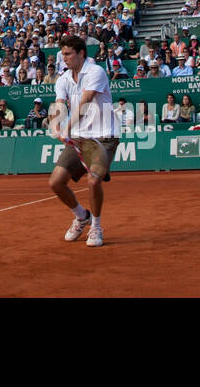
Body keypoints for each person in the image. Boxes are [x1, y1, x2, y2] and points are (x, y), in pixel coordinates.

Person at [48, 34, 119, 249]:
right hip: (79, 136)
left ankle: (96, 226)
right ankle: (81, 216)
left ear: (81, 53)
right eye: (62, 54)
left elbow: (86, 101)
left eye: (68, 54)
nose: (64, 58)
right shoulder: (63, 79)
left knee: (94, 180)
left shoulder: (96, 72)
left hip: (104, 135)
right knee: (56, 183)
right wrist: (55, 126)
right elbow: (59, 104)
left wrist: (67, 128)